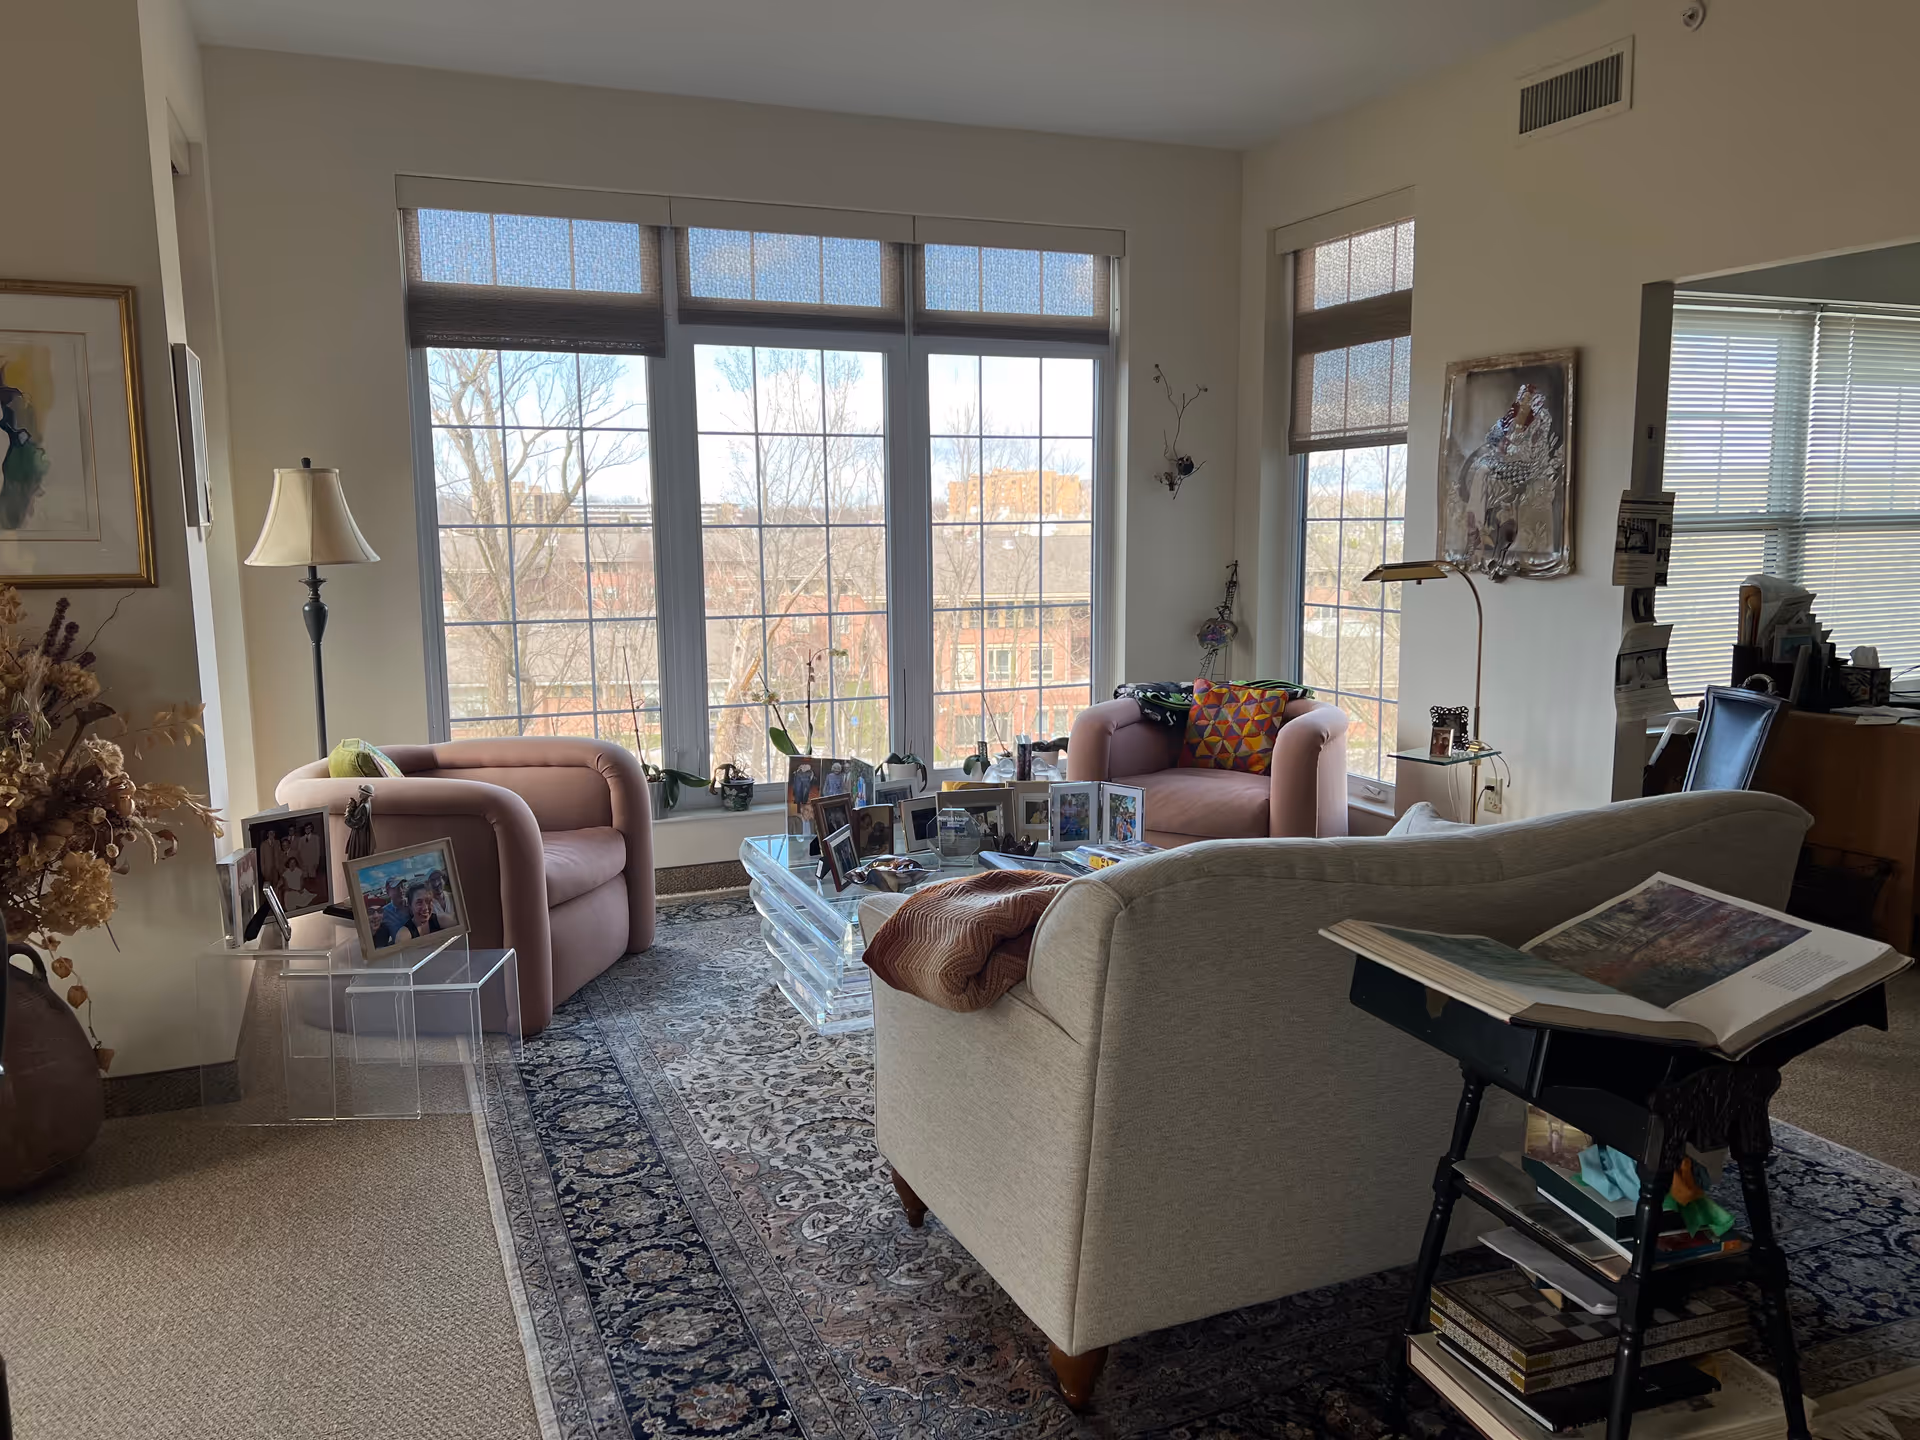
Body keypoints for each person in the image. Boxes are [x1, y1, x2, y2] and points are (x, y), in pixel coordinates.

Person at [375, 877, 409, 945]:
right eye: (397, 888)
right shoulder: (383, 913)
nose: (401, 890)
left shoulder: (413, 904)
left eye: (402, 886)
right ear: (388, 892)